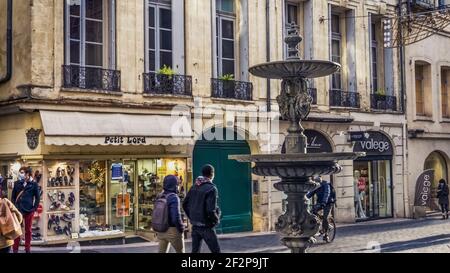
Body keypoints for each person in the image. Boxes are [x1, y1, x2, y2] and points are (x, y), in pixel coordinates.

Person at [183, 164, 221, 253]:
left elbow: (185, 204)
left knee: (195, 251)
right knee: (216, 251)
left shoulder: (194, 187)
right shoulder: (211, 188)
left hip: (195, 226)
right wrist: (216, 220)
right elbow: (210, 210)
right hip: (206, 226)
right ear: (212, 174)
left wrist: (192, 217)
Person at [11, 167, 40, 253]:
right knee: (17, 230)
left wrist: (34, 208)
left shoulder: (33, 184)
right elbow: (13, 197)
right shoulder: (17, 183)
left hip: (29, 210)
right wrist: (14, 207)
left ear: (28, 174)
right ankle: (15, 249)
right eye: (21, 172)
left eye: (23, 173)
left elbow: (37, 198)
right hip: (18, 210)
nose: (22, 174)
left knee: (28, 230)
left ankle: (27, 248)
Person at [157, 175, 186, 253]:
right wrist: (181, 228)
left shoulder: (160, 196)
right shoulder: (174, 197)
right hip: (173, 230)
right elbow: (175, 216)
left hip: (161, 230)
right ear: (175, 185)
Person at [306, 176, 333, 242]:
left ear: (320, 182)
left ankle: (326, 235)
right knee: (312, 212)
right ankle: (318, 223)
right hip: (320, 203)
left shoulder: (326, 185)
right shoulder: (316, 187)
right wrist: (303, 199)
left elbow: (327, 193)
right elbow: (310, 194)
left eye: (316, 183)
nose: (316, 184)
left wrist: (324, 202)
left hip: (328, 203)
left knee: (325, 218)